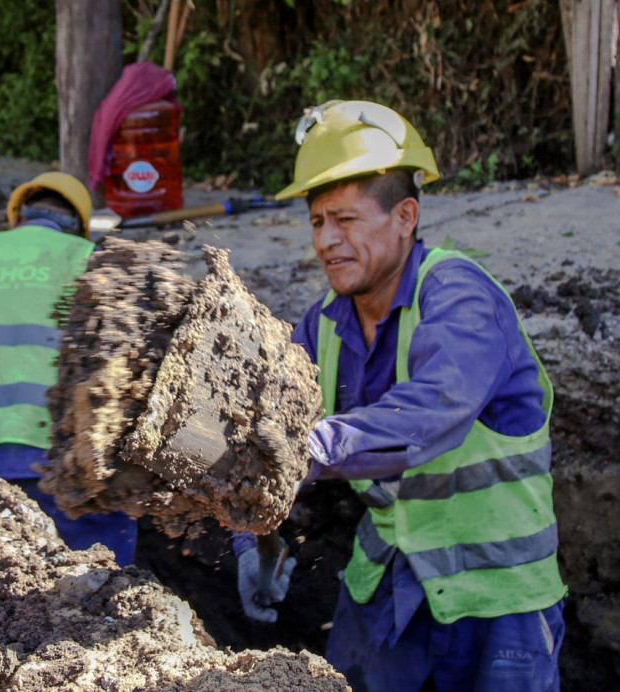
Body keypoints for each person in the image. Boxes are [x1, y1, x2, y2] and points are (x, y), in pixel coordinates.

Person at [234, 100, 566, 691]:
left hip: (497, 601)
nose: (327, 241)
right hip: (384, 590)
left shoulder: (460, 294)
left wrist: (303, 448)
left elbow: (434, 410)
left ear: (406, 216)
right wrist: (253, 542)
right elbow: (259, 428)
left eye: (346, 219)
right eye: (316, 222)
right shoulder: (323, 325)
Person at [0, 172, 138, 565]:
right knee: (100, 581)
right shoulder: (90, 259)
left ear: (16, 219)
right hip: (63, 463)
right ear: (80, 227)